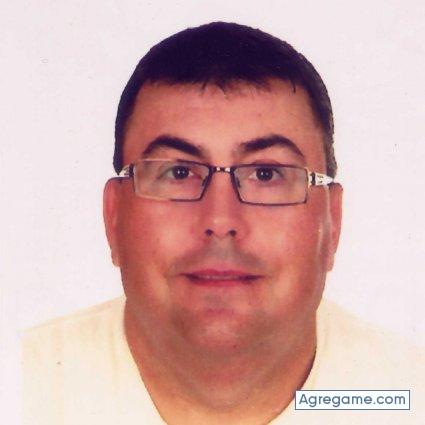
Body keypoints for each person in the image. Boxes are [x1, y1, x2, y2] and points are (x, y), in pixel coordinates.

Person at [23, 22, 423, 425]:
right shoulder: (23, 388)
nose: (219, 220)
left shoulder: (407, 396)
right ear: (113, 217)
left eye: (266, 174)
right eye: (178, 172)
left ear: (332, 222)